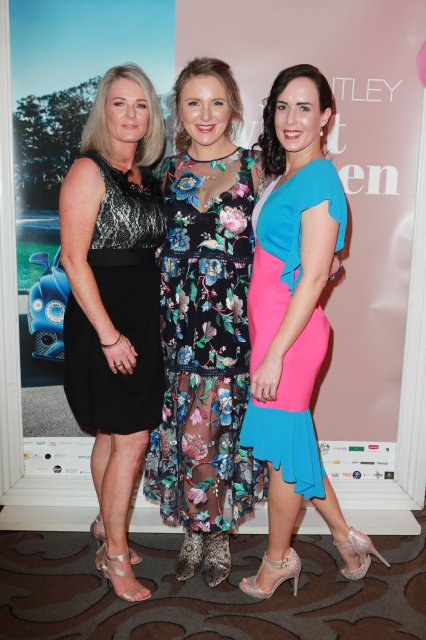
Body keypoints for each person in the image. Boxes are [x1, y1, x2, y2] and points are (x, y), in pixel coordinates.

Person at [238, 64, 390, 599]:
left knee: (283, 458)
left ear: (326, 116)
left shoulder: (320, 178)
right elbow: (309, 262)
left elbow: (311, 279)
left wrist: (275, 354)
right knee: (293, 442)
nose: (291, 118)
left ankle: (278, 560)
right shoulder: (286, 176)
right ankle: (348, 538)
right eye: (282, 106)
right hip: (273, 332)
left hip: (291, 339)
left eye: (304, 107)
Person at [143, 57, 266, 587]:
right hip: (176, 329)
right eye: (194, 102)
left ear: (233, 106)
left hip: (234, 330)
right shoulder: (165, 173)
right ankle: (193, 530)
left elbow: (285, 235)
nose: (206, 113)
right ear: (179, 109)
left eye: (217, 102)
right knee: (185, 429)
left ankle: (218, 536)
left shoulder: (257, 168)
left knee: (220, 430)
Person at [60, 63, 166, 603]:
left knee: (110, 433)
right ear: (103, 110)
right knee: (132, 437)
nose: (130, 114)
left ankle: (106, 526)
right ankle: (116, 556)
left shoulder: (148, 176)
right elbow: (74, 260)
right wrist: (108, 335)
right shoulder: (87, 170)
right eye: (120, 103)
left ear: (151, 116)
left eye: (141, 104)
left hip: (143, 321)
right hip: (103, 322)